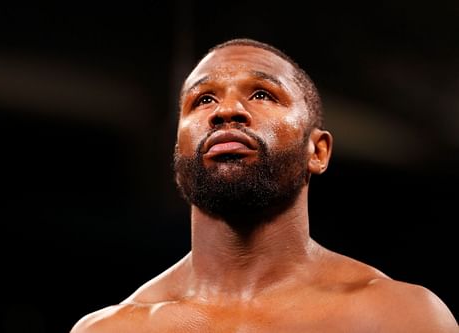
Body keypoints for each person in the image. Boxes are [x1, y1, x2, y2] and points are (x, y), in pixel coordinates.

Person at [70, 38, 458, 332]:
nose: (226, 111)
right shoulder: (114, 329)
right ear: (178, 154)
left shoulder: (398, 317)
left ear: (317, 151)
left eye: (261, 94)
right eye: (203, 99)